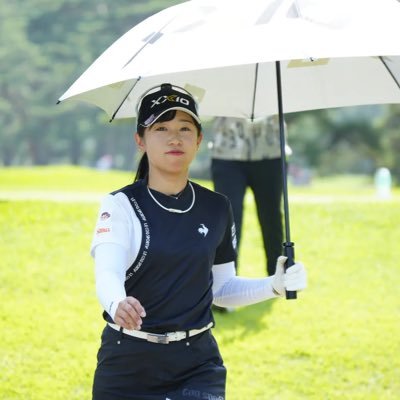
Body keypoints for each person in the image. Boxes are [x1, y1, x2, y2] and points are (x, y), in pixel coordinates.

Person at [90, 83, 307, 400]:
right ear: (140, 140)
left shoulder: (217, 207)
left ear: (199, 139)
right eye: (161, 128)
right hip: (128, 362)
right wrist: (116, 303)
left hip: (198, 364)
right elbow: (107, 272)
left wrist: (274, 285)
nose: (174, 138)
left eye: (184, 128)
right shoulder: (120, 205)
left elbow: (221, 289)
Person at [211, 115, 290, 277]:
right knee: (228, 221)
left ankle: (278, 279)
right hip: (226, 151)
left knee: (272, 219)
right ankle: (225, 280)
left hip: (271, 150)